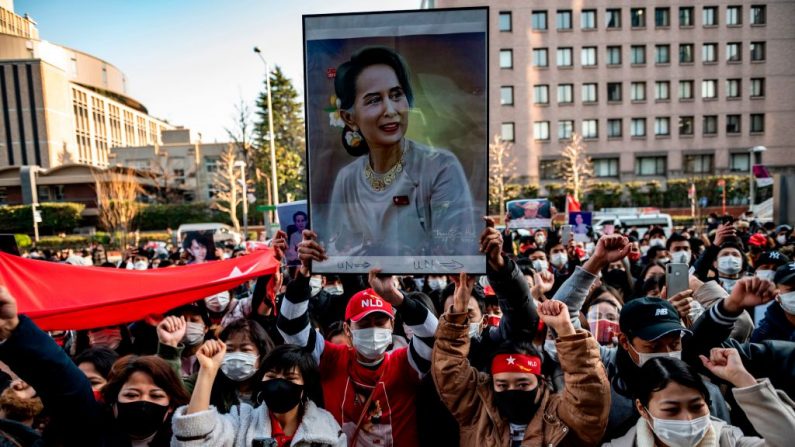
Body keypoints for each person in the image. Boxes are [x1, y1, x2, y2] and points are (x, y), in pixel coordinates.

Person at [278, 229, 438, 447]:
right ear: (348, 330)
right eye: (363, 323)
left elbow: (434, 336)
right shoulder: (331, 359)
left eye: (380, 322)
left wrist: (396, 298)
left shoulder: (405, 363)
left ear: (392, 325)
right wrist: (304, 274)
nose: (373, 329)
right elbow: (290, 327)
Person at [320, 46, 477, 257]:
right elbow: (338, 252)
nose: (391, 110)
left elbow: (457, 252)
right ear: (349, 118)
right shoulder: (347, 179)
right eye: (374, 100)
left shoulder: (440, 166)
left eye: (396, 95)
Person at [432, 276, 610, 446]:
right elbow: (448, 371)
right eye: (502, 385)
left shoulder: (561, 417)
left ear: (541, 381)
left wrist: (565, 330)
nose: (512, 392)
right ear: (491, 383)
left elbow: (589, 399)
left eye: (523, 384)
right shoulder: (478, 413)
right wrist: (458, 312)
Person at [171, 343, 346, 447]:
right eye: (271, 376)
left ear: (305, 388)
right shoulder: (241, 419)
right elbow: (193, 437)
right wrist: (207, 372)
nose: (279, 383)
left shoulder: (328, 431)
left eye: (290, 377)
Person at [603, 354, 794, 446]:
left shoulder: (730, 442)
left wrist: (742, 379)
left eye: (697, 406)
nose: (688, 419)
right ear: (642, 409)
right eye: (671, 410)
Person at [100, 354, 191, 446]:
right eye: (131, 395)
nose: (144, 402)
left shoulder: (182, 441)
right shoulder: (92, 435)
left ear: (170, 405)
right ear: (114, 399)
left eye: (156, 396)